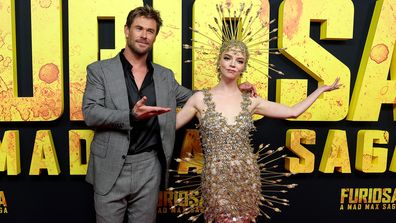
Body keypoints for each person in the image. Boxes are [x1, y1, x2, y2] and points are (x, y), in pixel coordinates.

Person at [82, 5, 255, 223]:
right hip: (111, 167)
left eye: (150, 31)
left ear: (155, 36)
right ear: (127, 30)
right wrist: (130, 116)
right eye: (139, 29)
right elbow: (91, 113)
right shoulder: (99, 70)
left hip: (149, 167)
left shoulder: (164, 76)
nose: (144, 35)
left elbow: (197, 97)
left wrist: (233, 90)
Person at [175, 40, 341, 223]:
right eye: (227, 58)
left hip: (246, 175)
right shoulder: (199, 99)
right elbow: (169, 127)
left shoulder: (251, 101)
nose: (232, 64)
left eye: (239, 61)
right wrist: (140, 116)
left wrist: (320, 90)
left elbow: (293, 112)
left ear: (244, 67)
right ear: (218, 61)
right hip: (216, 177)